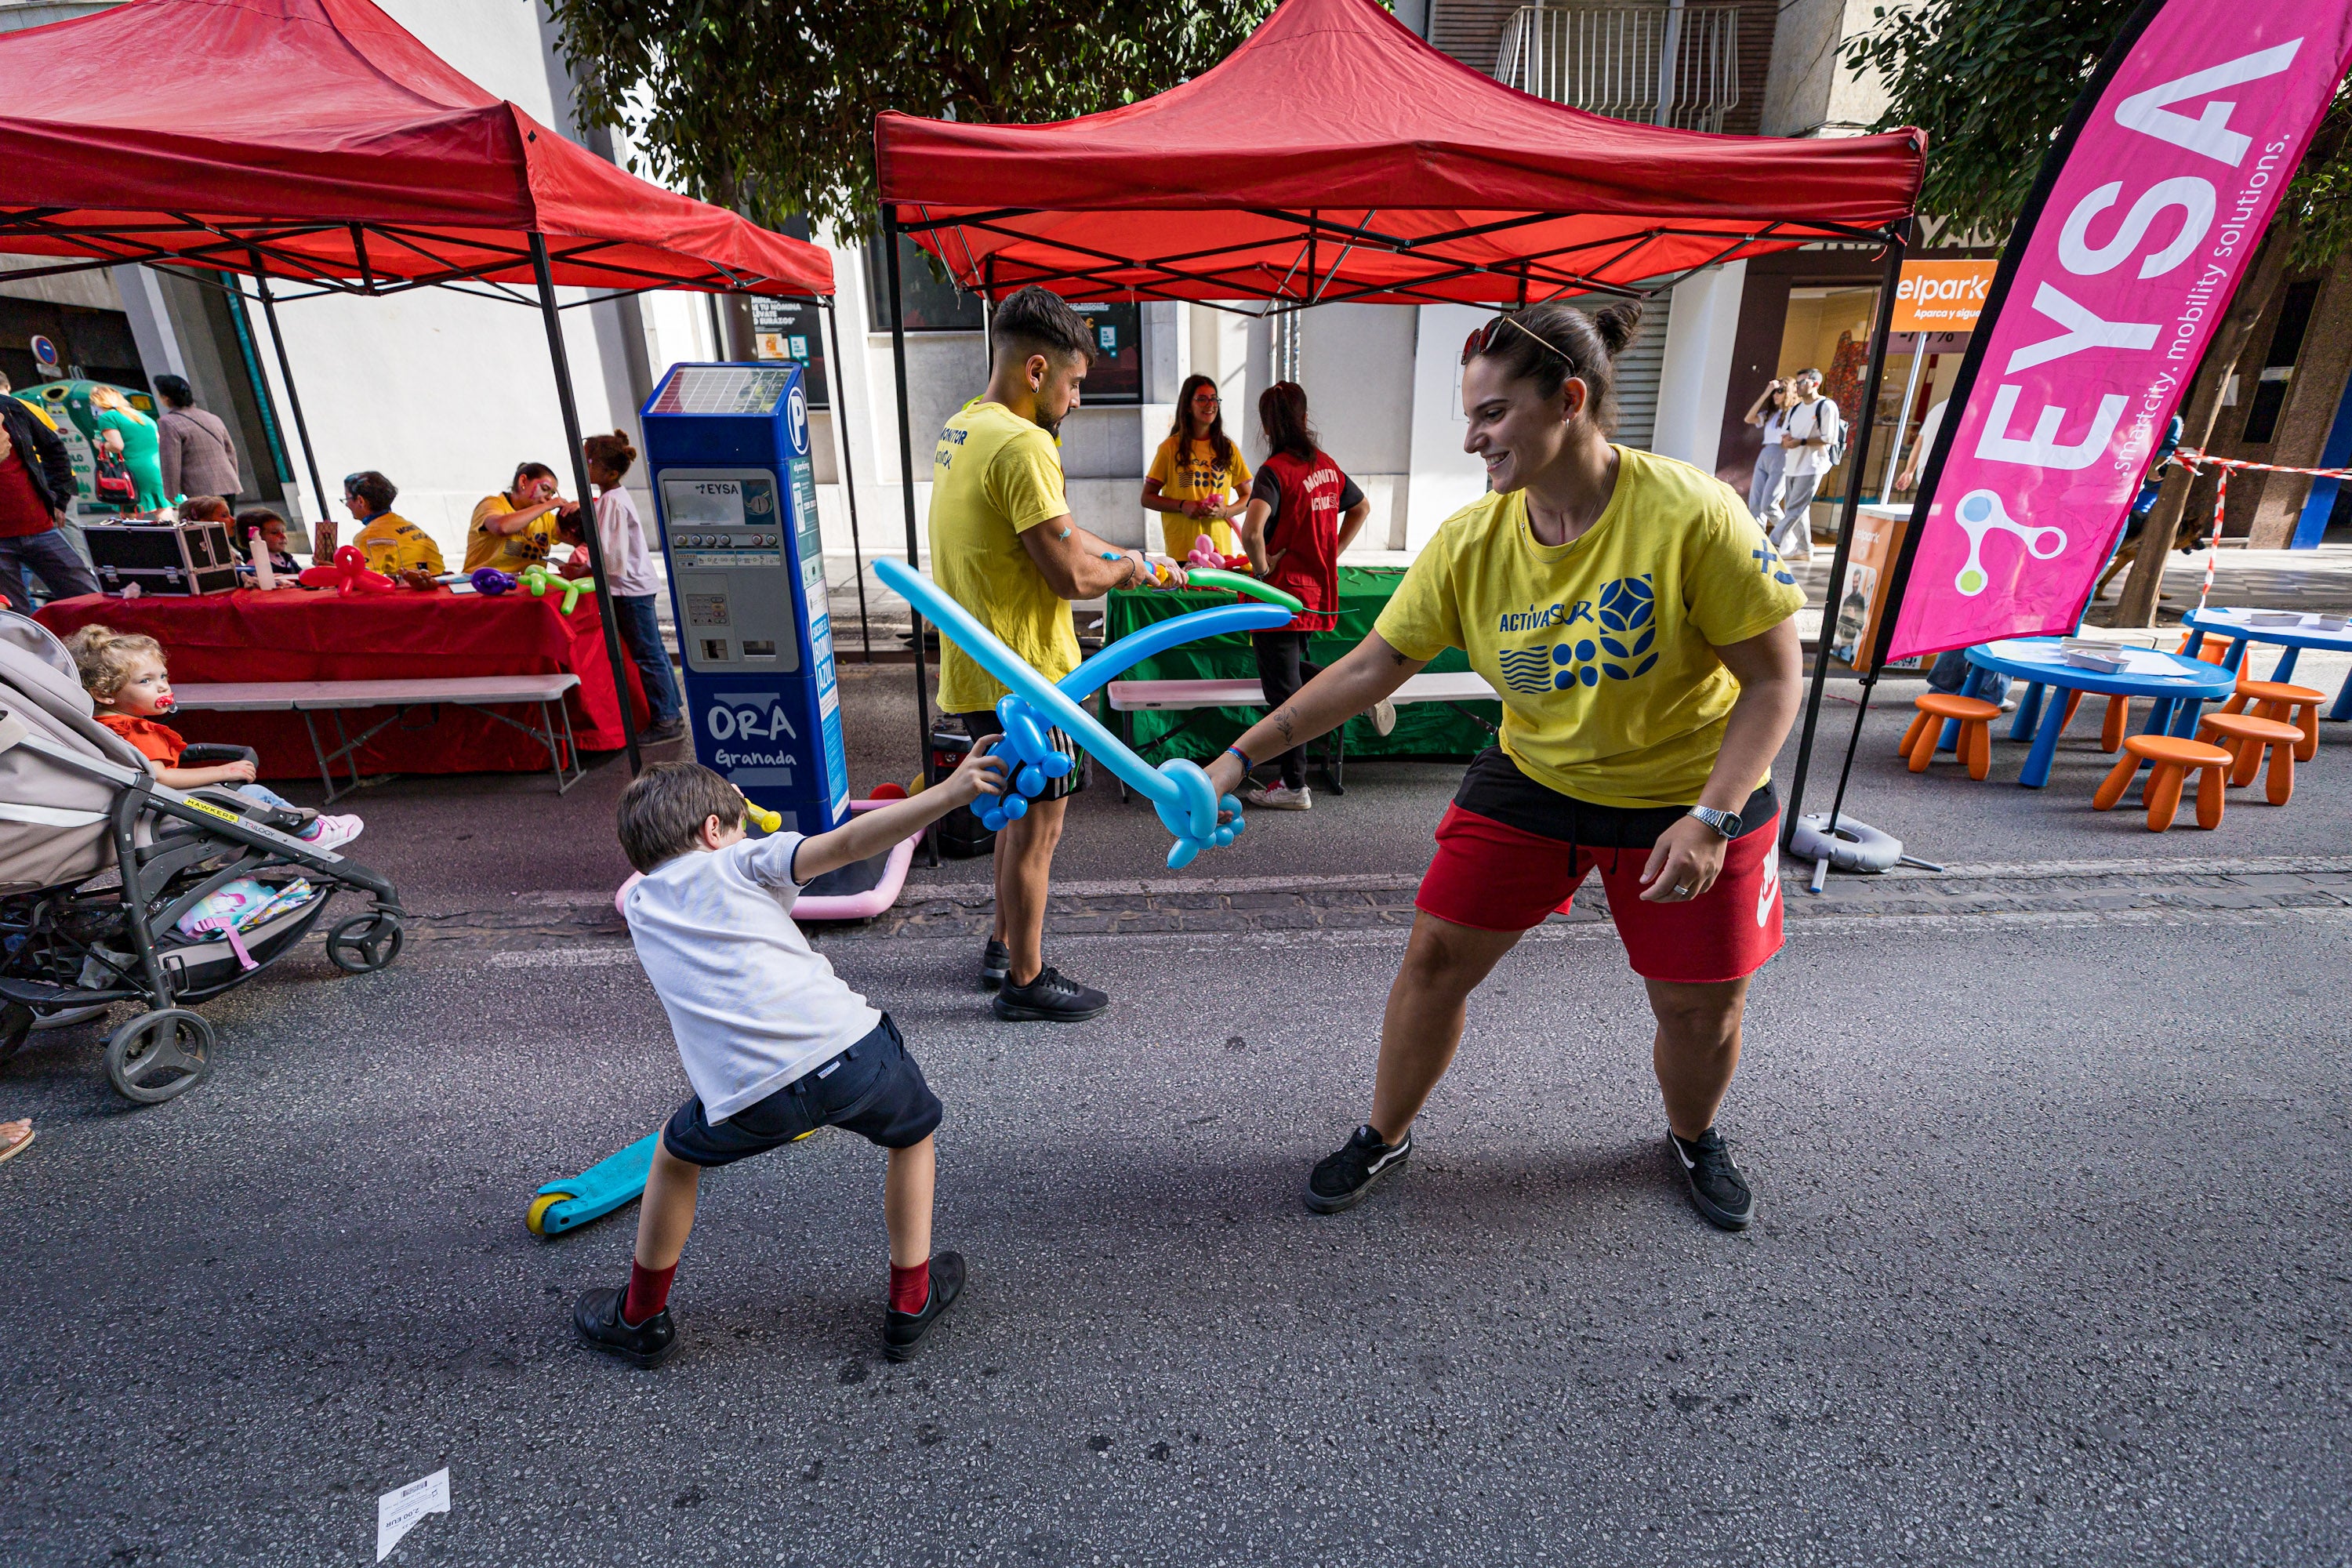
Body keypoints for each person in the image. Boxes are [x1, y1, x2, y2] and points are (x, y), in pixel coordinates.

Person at [1201, 300, 1806, 1232]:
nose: (1475, 437)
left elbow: (1773, 679)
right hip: (1536, 778)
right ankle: (1384, 1132)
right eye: (1470, 416)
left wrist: (1715, 815)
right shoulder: (1473, 540)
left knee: (1698, 1009)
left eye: (1492, 413)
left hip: (1693, 788)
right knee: (1435, 956)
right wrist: (1238, 758)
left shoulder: (1690, 513)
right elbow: (1370, 667)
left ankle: (1692, 1135)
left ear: (1569, 398)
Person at [572, 752, 1011, 1369]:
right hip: (851, 1051)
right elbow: (849, 842)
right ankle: (909, 1301)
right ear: (712, 832)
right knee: (912, 1137)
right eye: (738, 825)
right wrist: (947, 794)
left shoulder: (642, 905)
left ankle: (640, 1318)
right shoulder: (739, 859)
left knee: (674, 1158)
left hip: (748, 1096)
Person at [928, 285, 1167, 1023]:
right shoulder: (1025, 444)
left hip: (980, 672)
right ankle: (1026, 981)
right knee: (1039, 831)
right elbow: (1071, 573)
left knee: (1012, 817)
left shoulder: (964, 430)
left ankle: (1004, 944)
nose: (1075, 400)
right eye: (1074, 383)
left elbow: (1050, 535)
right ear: (1037, 371)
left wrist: (1133, 553)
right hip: (1035, 676)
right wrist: (1126, 570)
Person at [66, 625, 363, 848]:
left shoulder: (99, 726)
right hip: (167, 811)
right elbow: (162, 777)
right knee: (253, 797)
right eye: (146, 681)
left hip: (138, 813)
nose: (162, 687)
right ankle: (311, 832)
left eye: (163, 677)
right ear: (105, 693)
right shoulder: (137, 731)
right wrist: (223, 771)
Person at [1236, 381, 1384, 811]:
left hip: (1278, 598)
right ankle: (1365, 691)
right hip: (1315, 591)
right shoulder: (1328, 466)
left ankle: (1293, 785)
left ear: (1268, 424)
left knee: (1285, 696)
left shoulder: (1274, 471)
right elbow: (1361, 508)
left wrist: (1261, 571)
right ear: (1303, 417)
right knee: (1295, 681)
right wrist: (1332, 550)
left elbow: (1251, 530)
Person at [560, 430, 684, 743]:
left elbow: (611, 558)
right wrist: (585, 568)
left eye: (589, 461)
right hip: (633, 586)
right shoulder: (613, 498)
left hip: (629, 590)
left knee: (647, 654)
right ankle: (671, 710)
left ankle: (667, 718)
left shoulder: (612, 502)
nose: (584, 466)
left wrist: (585, 570)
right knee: (652, 651)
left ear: (610, 472)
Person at [0, 383, 100, 612]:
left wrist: (59, 498)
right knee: (17, 619)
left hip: (40, 528)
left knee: (89, 600)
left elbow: (53, 448)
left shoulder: (10, 408)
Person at [1142, 374, 1250, 560]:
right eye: (1202, 399)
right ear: (1188, 407)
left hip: (1220, 552)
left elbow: (1248, 497)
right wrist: (1183, 506)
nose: (1210, 404)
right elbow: (1147, 498)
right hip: (1182, 550)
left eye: (1214, 398)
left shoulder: (1228, 448)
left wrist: (1226, 511)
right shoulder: (1170, 448)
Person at [1765, 367, 1838, 562]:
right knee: (1799, 508)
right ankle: (1805, 548)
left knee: (1795, 509)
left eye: (1802, 382)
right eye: (1796, 383)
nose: (1797, 386)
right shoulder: (1797, 408)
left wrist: (1802, 442)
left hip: (1813, 465)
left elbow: (1830, 438)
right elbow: (1787, 434)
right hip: (1793, 464)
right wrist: (1788, 441)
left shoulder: (1826, 406)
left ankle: (1773, 543)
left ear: (1815, 384)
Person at [464, 462, 570, 575]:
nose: (549, 498)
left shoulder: (546, 518)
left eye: (552, 494)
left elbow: (576, 535)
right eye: (544, 489)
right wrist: (547, 506)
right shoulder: (492, 504)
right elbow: (501, 527)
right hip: (481, 585)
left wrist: (578, 510)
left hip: (528, 588)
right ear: (523, 481)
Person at [341, 471, 443, 588]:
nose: (347, 505)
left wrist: (335, 572)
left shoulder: (368, 536)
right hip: (436, 587)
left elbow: (364, 581)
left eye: (347, 498)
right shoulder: (408, 525)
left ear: (360, 501)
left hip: (405, 596)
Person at [152, 374, 239, 508]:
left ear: (166, 397)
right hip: (228, 482)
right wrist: (233, 477)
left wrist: (171, 491)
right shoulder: (212, 417)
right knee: (227, 524)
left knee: (207, 527)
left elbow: (171, 460)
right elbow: (230, 451)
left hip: (200, 487)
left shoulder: (168, 422)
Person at [87, 385, 165, 513]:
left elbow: (117, 446)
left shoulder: (107, 418)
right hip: (157, 467)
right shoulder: (142, 416)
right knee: (162, 508)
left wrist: (101, 445)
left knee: (129, 512)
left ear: (97, 403)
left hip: (132, 471)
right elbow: (158, 441)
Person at [1740, 378, 1795, 525]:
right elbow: (1749, 418)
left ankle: (1788, 537)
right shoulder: (1771, 414)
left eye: (1780, 391)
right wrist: (1766, 393)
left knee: (1769, 505)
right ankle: (1759, 541)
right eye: (1774, 392)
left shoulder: (1793, 413)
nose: (1775, 395)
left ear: (1789, 392)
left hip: (1782, 454)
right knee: (1755, 504)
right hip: (1765, 454)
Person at [235, 507, 303, 583]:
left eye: (283, 531)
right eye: (274, 532)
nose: (283, 536)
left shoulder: (288, 559)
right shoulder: (256, 566)